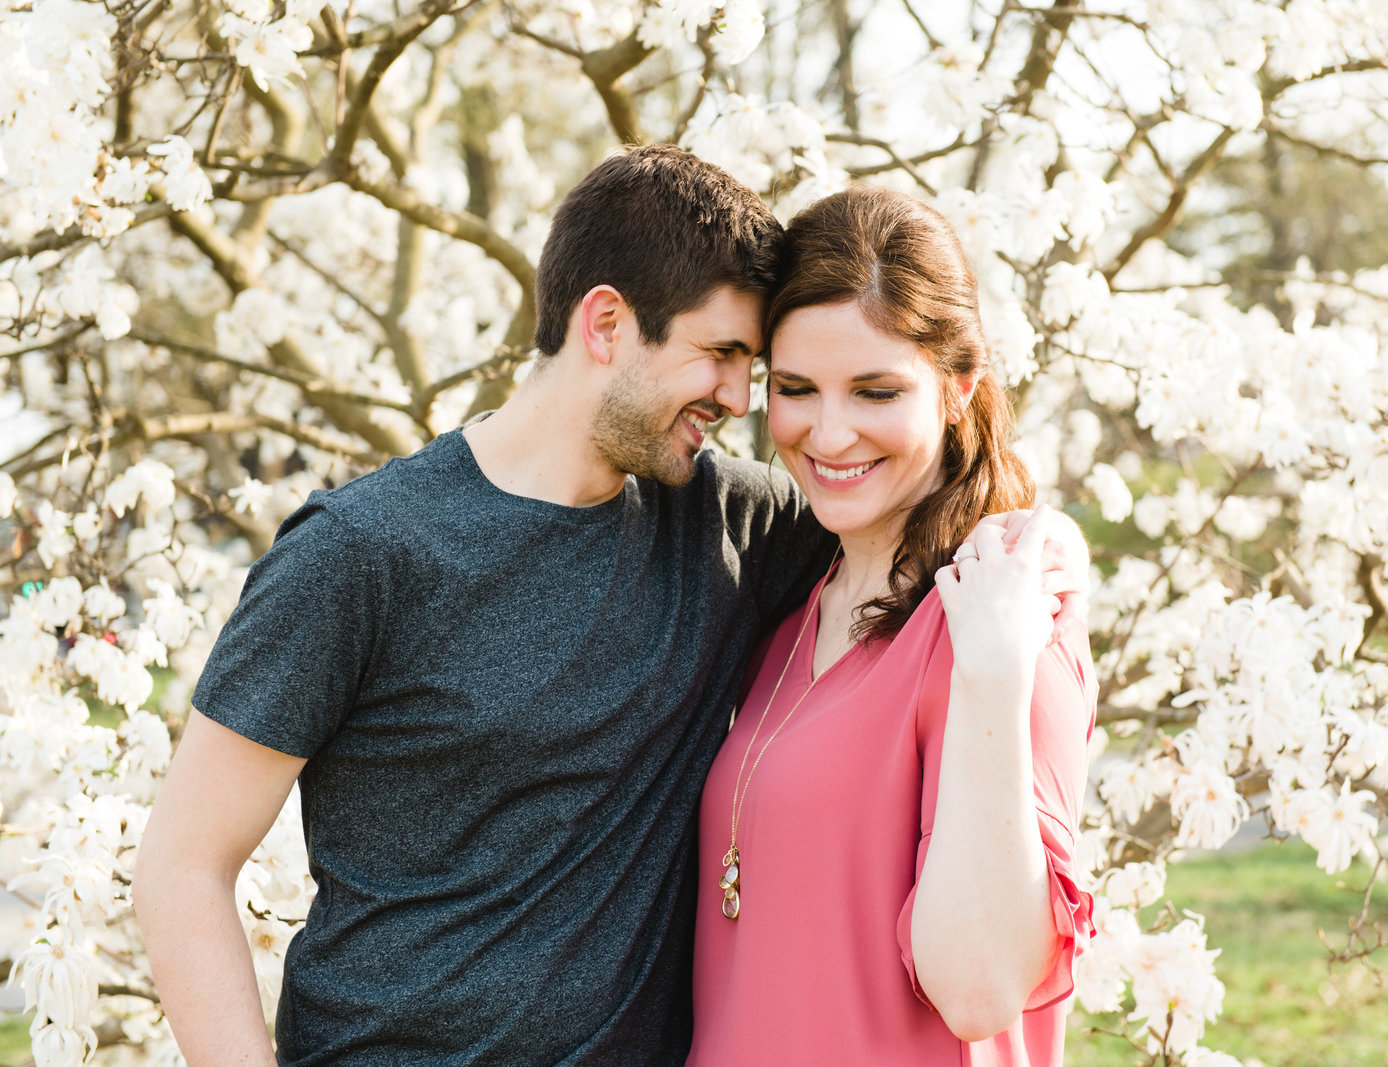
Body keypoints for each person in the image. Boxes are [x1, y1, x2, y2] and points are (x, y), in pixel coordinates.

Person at [132, 146, 1086, 1066]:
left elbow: (906, 491)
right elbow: (183, 865)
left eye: (755, 365)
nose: (740, 395)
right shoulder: (361, 553)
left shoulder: (732, 523)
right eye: (720, 354)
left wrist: (1040, 543)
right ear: (606, 324)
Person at [687, 185, 1098, 1067]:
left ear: (959, 388)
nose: (828, 434)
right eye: (796, 389)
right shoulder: (793, 606)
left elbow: (980, 988)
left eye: (876, 391)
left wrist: (993, 672)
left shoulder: (1009, 616)